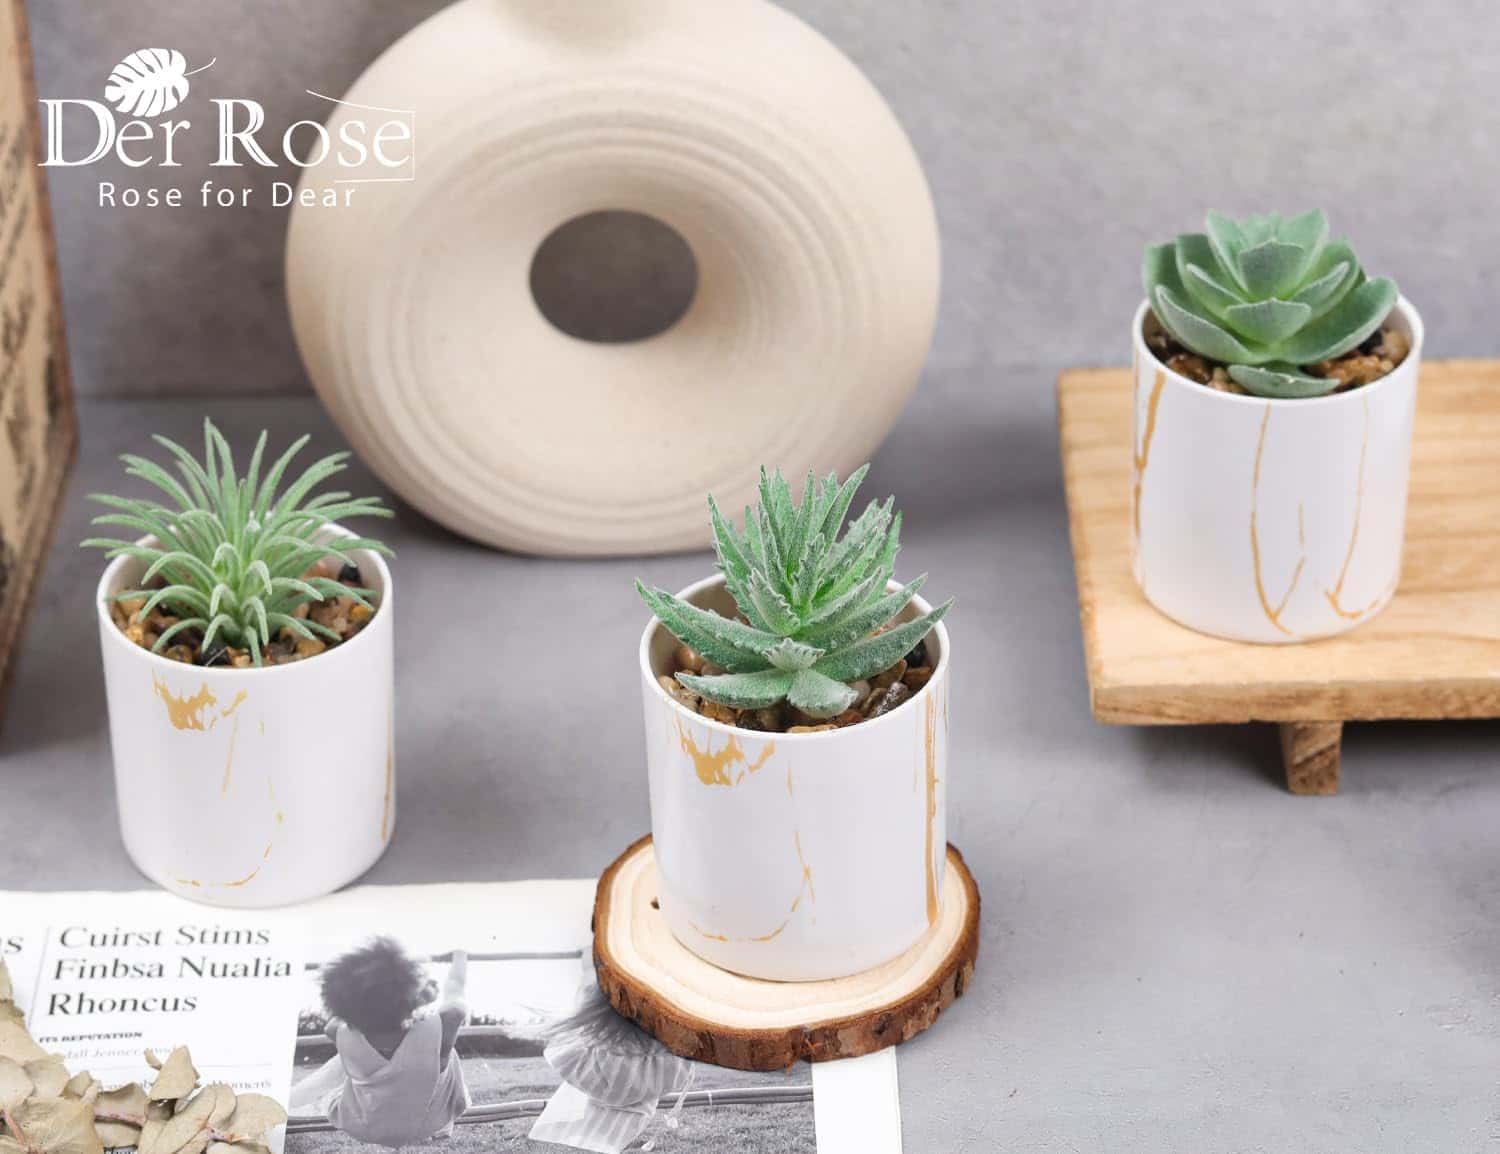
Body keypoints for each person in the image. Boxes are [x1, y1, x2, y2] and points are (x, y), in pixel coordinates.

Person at [291, 939, 471, 1147]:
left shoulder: (337, 1032)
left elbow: (337, 1021)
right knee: (436, 1059)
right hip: (429, 1122)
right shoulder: (440, 1027)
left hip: (367, 1125)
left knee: (345, 1063)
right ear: (412, 993)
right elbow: (456, 993)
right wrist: (460, 954)